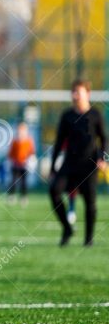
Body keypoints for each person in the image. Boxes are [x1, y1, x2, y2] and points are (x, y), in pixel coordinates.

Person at [49, 79, 107, 247]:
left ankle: (88, 240)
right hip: (69, 164)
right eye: (73, 92)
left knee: (90, 202)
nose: (75, 95)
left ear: (87, 94)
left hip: (88, 165)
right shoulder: (67, 116)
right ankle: (67, 228)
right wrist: (53, 166)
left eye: (78, 92)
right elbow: (59, 142)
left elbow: (104, 139)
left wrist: (102, 158)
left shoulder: (95, 115)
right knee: (54, 191)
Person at [7, 122, 36, 206]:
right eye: (20, 130)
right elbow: (11, 153)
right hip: (15, 164)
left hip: (25, 165)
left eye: (23, 130)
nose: (21, 132)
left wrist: (31, 160)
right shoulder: (15, 141)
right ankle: (11, 196)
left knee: (24, 182)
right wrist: (11, 161)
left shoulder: (29, 140)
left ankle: (24, 197)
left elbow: (32, 152)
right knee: (13, 181)